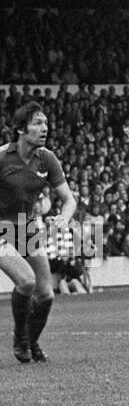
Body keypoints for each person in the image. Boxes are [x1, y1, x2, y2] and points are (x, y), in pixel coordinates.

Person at [1, 102, 78, 363]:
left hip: (28, 227)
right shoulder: (2, 157)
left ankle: (30, 343)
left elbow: (69, 199)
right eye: (37, 123)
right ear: (21, 129)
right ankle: (20, 341)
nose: (44, 128)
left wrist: (64, 218)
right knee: (26, 282)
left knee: (45, 294)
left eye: (45, 123)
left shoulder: (47, 158)